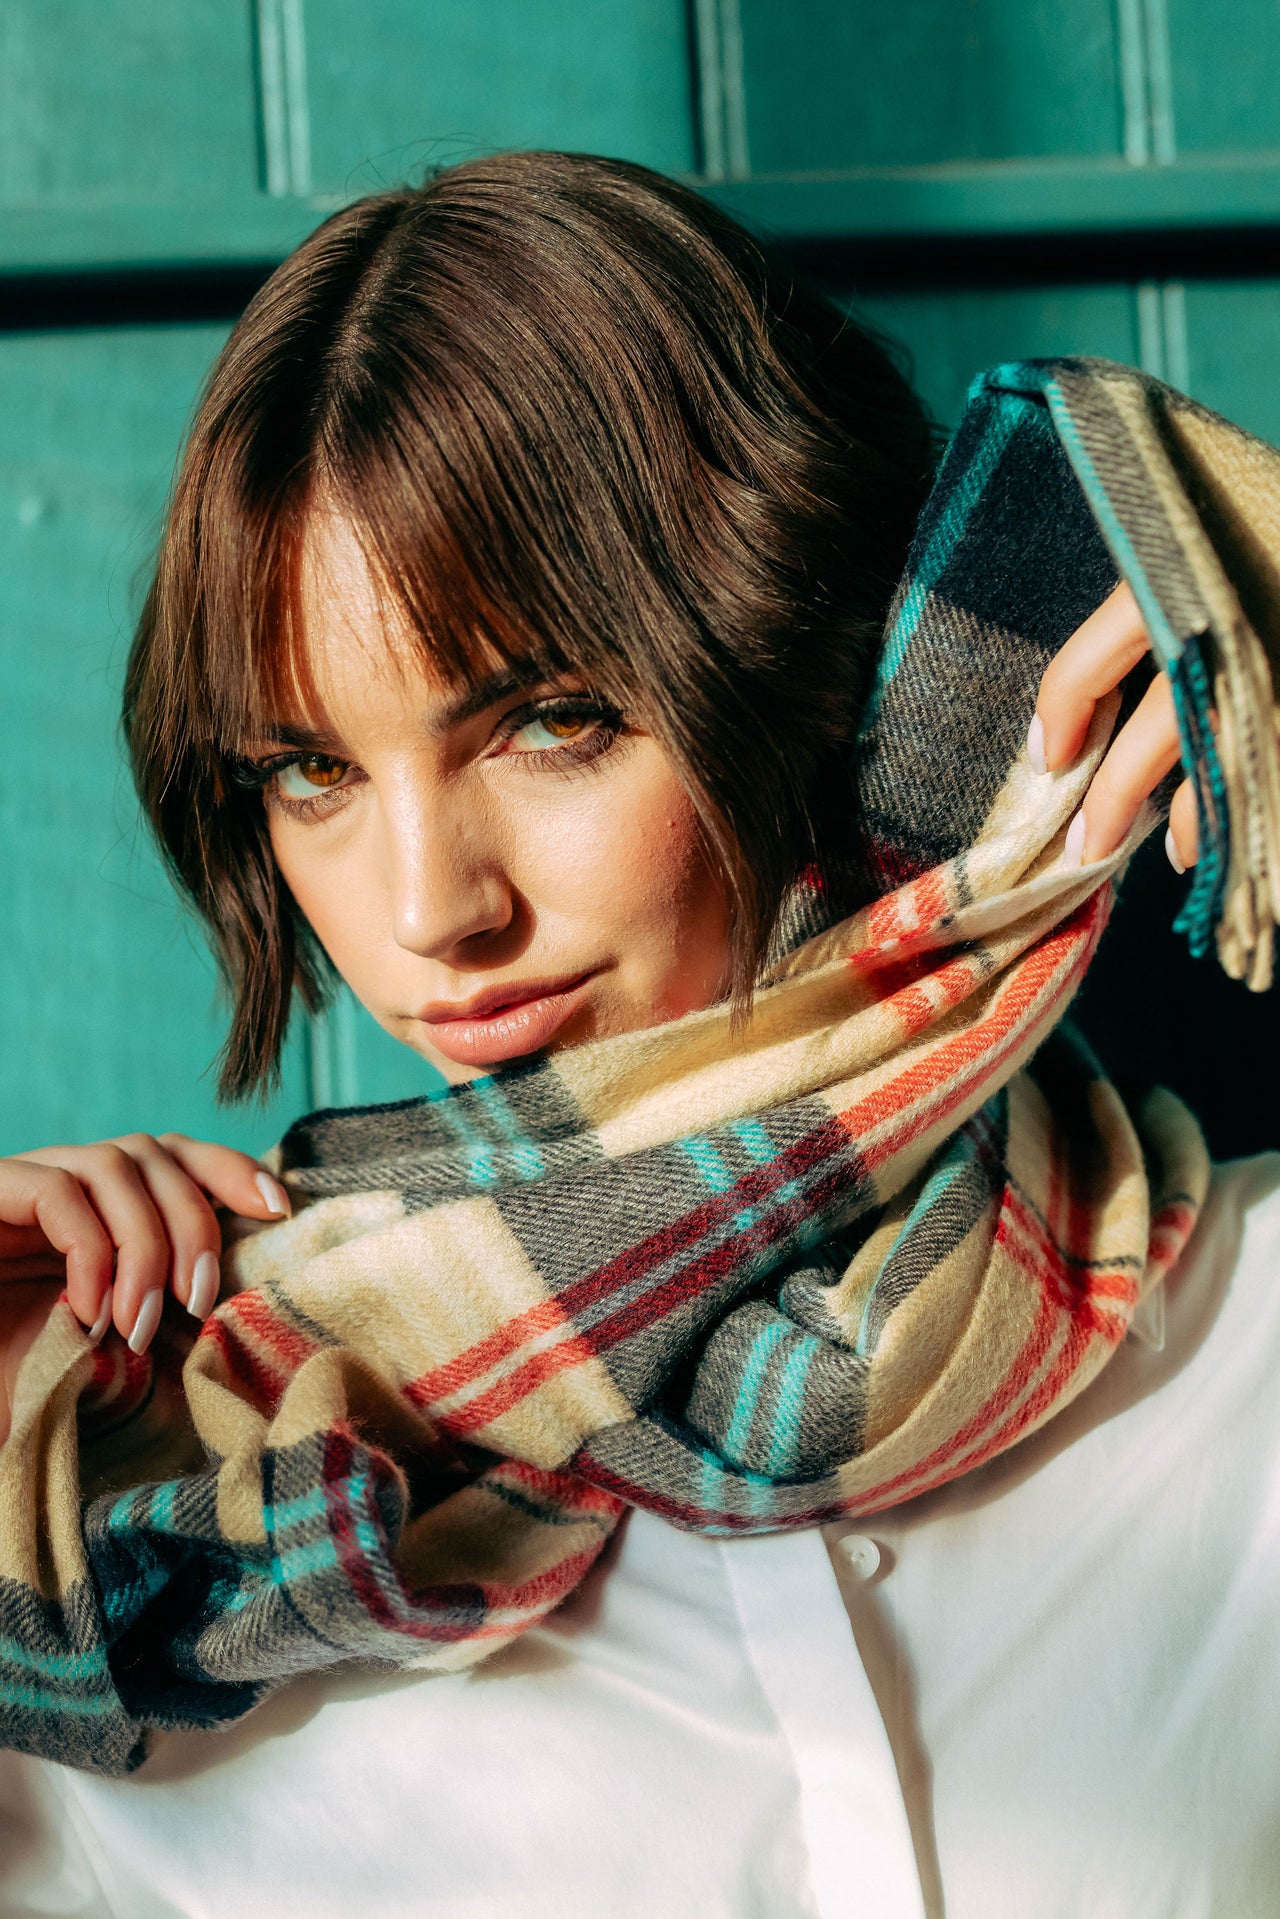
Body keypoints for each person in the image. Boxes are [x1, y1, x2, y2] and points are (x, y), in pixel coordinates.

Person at [0, 152, 1275, 1919]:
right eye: (310, 772)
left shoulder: (1251, 1355)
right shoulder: (160, 1534)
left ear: (814, 661)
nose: (430, 908)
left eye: (551, 722)